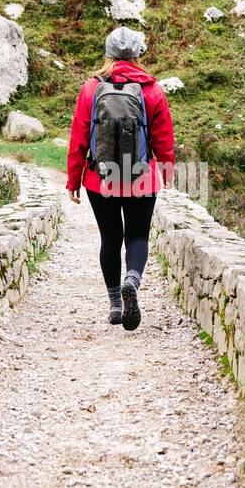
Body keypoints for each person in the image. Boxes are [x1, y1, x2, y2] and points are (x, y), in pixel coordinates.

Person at [66, 27, 175, 331]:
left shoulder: (91, 89)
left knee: (110, 239)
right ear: (138, 54)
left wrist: (73, 179)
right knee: (137, 236)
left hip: (100, 180)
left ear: (108, 54)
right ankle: (132, 281)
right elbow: (164, 138)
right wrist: (166, 171)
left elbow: (79, 138)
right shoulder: (151, 89)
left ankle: (116, 305)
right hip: (142, 177)